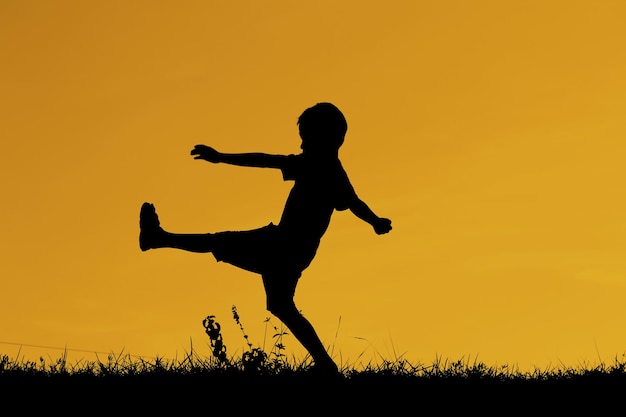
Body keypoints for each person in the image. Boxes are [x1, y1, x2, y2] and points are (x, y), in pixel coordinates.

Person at [139, 102, 392, 374]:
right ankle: (326, 366)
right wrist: (374, 222)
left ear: (329, 138)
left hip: (282, 245)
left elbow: (266, 160)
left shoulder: (319, 166)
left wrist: (221, 157)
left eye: (307, 138)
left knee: (218, 242)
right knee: (281, 306)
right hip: (296, 251)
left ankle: (158, 238)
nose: (303, 145)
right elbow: (352, 202)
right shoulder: (328, 168)